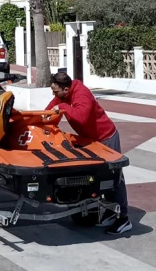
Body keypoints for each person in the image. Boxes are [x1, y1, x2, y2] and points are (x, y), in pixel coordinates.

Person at [47, 71, 131, 235]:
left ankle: (123, 218)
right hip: (91, 141)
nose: (54, 95)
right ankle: (110, 212)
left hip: (106, 138)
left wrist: (63, 107)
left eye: (55, 92)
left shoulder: (81, 94)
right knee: (100, 178)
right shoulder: (63, 94)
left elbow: (81, 117)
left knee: (114, 177)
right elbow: (50, 108)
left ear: (65, 89)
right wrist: (41, 119)